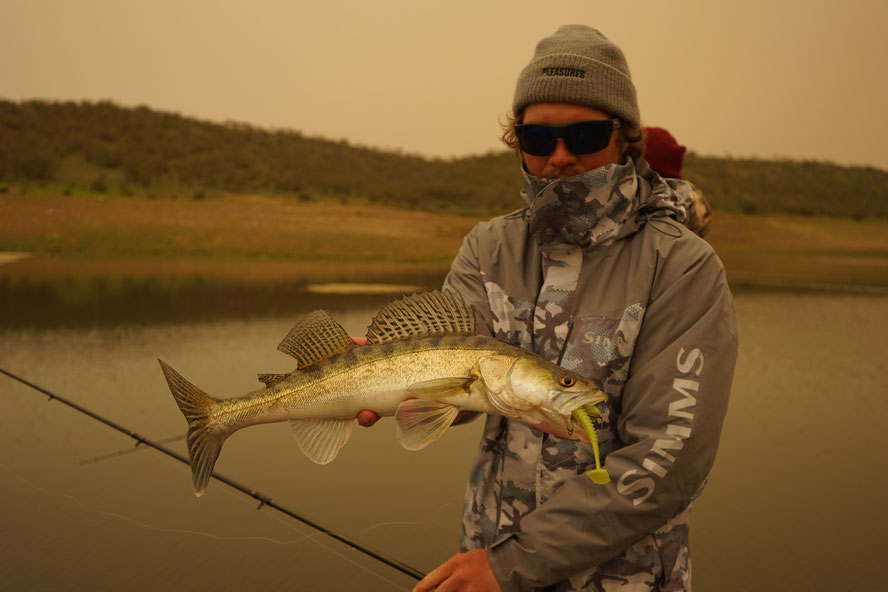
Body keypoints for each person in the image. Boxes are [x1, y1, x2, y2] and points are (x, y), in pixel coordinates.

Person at [360, 24, 738, 591]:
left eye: (584, 134)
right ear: (518, 142)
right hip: (483, 563)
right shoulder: (487, 247)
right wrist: (390, 385)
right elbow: (466, 393)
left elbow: (668, 464)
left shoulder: (683, 268)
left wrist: (512, 566)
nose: (559, 157)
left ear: (624, 137)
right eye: (538, 140)